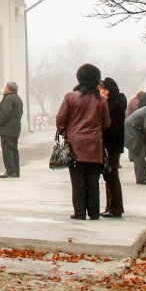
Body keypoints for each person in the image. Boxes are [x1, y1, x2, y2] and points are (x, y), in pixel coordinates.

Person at [57, 64, 111, 220]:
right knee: (93, 181)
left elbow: (61, 119)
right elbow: (106, 123)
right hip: (95, 145)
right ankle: (94, 212)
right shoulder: (101, 100)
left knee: (77, 181)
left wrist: (64, 131)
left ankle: (79, 212)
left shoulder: (70, 97)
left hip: (75, 145)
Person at [100, 77, 127, 217]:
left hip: (111, 143)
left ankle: (114, 207)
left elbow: (107, 124)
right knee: (110, 175)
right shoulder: (119, 101)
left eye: (102, 89)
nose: (100, 92)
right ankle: (111, 206)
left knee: (111, 175)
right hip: (115, 144)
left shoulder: (113, 104)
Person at [0, 81, 24, 178]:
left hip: (7, 129)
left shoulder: (8, 98)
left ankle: (10, 171)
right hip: (15, 128)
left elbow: (5, 113)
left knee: (7, 150)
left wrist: (0, 124)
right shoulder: (18, 99)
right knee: (14, 149)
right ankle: (16, 171)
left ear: (8, 88)